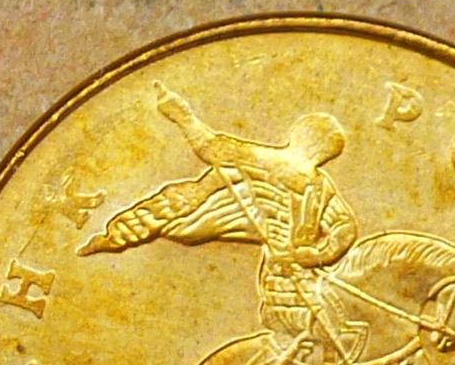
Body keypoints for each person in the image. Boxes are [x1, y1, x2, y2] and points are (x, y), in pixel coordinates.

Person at [80, 83, 359, 350]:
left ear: (301, 137)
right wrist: (317, 253)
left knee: (325, 323)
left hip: (296, 276)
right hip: (290, 278)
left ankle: (303, 361)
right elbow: (343, 227)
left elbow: (209, 145)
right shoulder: (296, 175)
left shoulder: (296, 175)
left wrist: (182, 116)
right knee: (320, 326)